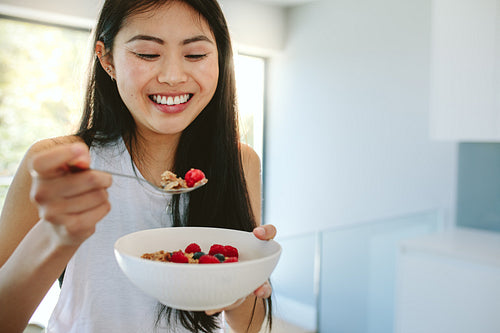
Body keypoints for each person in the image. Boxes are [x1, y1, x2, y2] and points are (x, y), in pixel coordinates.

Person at [0, 0, 277, 332]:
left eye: (195, 55)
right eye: (147, 54)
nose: (173, 76)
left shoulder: (240, 162)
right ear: (107, 60)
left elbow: (248, 325)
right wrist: (54, 234)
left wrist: (243, 283)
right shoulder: (63, 163)